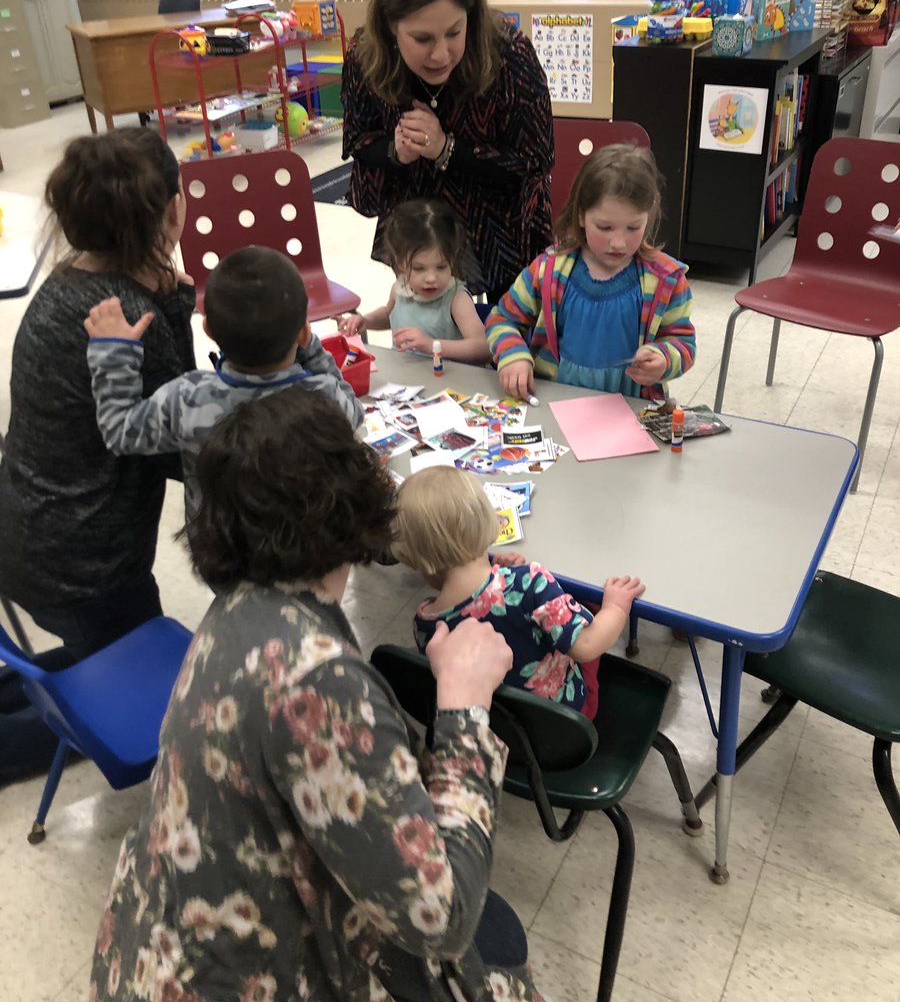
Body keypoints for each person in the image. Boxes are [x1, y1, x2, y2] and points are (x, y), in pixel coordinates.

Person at [90, 389, 549, 1002]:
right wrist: (464, 709)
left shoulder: (236, 609)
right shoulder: (314, 681)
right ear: (351, 506)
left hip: (158, 948)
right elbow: (441, 917)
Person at [0, 128, 196, 785]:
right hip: (89, 568)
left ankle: (40, 683)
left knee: (93, 657)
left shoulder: (66, 283)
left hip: (26, 533)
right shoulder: (132, 317)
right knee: (158, 705)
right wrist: (179, 306)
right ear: (175, 209)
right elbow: (183, 441)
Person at [84, 245, 365, 522]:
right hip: (299, 550)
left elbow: (119, 431)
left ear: (207, 329)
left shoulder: (187, 398)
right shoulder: (324, 399)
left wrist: (113, 352)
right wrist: (311, 348)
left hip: (219, 556)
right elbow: (355, 411)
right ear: (303, 333)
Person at [341, 0, 554, 303]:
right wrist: (397, 151)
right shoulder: (366, 57)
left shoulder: (508, 53)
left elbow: (534, 161)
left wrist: (446, 149)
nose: (441, 54)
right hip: (419, 229)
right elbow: (358, 142)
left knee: (507, 340)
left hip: (501, 225)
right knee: (427, 334)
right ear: (391, 27)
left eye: (454, 32)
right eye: (422, 38)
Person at [393, 465, 644, 721]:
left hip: (496, 729)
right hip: (566, 722)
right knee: (589, 611)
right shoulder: (528, 582)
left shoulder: (425, 625)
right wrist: (616, 607)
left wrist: (494, 573)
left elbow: (478, 609)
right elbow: (588, 646)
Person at [486, 144, 696, 402]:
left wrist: (664, 358)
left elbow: (684, 344)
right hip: (555, 404)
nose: (618, 242)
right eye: (605, 227)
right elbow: (502, 319)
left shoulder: (667, 280)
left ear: (648, 217)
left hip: (630, 410)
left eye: (633, 227)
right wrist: (513, 355)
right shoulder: (547, 270)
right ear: (582, 215)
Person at [338, 197, 490, 364]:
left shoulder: (456, 298)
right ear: (399, 261)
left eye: (441, 267)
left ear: (452, 260)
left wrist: (434, 345)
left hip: (449, 383)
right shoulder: (399, 289)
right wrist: (366, 321)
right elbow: (390, 315)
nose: (431, 278)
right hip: (408, 379)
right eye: (419, 268)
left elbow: (484, 347)